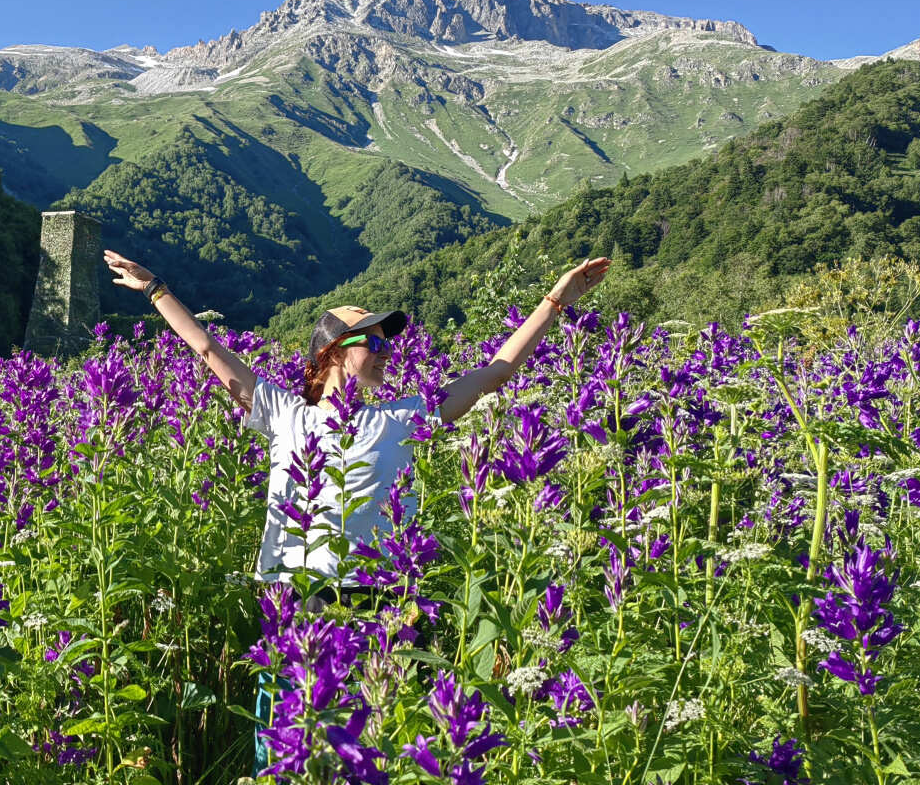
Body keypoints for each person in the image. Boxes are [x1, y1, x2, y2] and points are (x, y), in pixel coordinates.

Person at [103, 249, 611, 589]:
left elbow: (493, 375)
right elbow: (207, 347)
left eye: (386, 341)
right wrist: (155, 289)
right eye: (371, 340)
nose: (385, 350)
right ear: (331, 352)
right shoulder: (285, 413)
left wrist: (555, 302)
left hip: (378, 599)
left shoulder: (403, 417)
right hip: (297, 598)